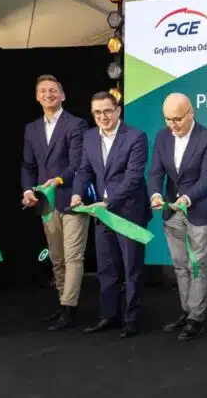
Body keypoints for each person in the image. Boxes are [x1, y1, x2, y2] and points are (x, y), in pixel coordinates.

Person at [71, 91, 151, 339]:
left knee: (131, 269)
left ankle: (132, 319)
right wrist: (77, 194)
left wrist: (108, 201)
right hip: (103, 214)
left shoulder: (136, 136)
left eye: (107, 111)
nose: (102, 117)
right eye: (97, 112)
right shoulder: (89, 137)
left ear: (118, 110)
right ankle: (109, 316)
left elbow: (133, 177)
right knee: (106, 268)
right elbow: (84, 170)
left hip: (129, 211)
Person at [149, 92, 207, 341]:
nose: (172, 125)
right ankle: (187, 310)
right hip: (172, 211)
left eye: (177, 119)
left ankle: (196, 318)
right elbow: (155, 172)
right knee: (180, 265)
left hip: (200, 210)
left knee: (197, 264)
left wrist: (187, 198)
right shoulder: (162, 137)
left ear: (191, 113)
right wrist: (155, 194)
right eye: (168, 119)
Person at [20, 74, 90, 331]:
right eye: (43, 91)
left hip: (72, 197)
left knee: (73, 256)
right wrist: (28, 190)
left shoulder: (76, 124)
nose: (48, 94)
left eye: (53, 90)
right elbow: (28, 165)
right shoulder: (31, 129)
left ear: (62, 95)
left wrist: (58, 180)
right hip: (46, 202)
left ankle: (70, 308)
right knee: (57, 258)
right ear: (37, 97)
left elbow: (78, 163)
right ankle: (63, 303)